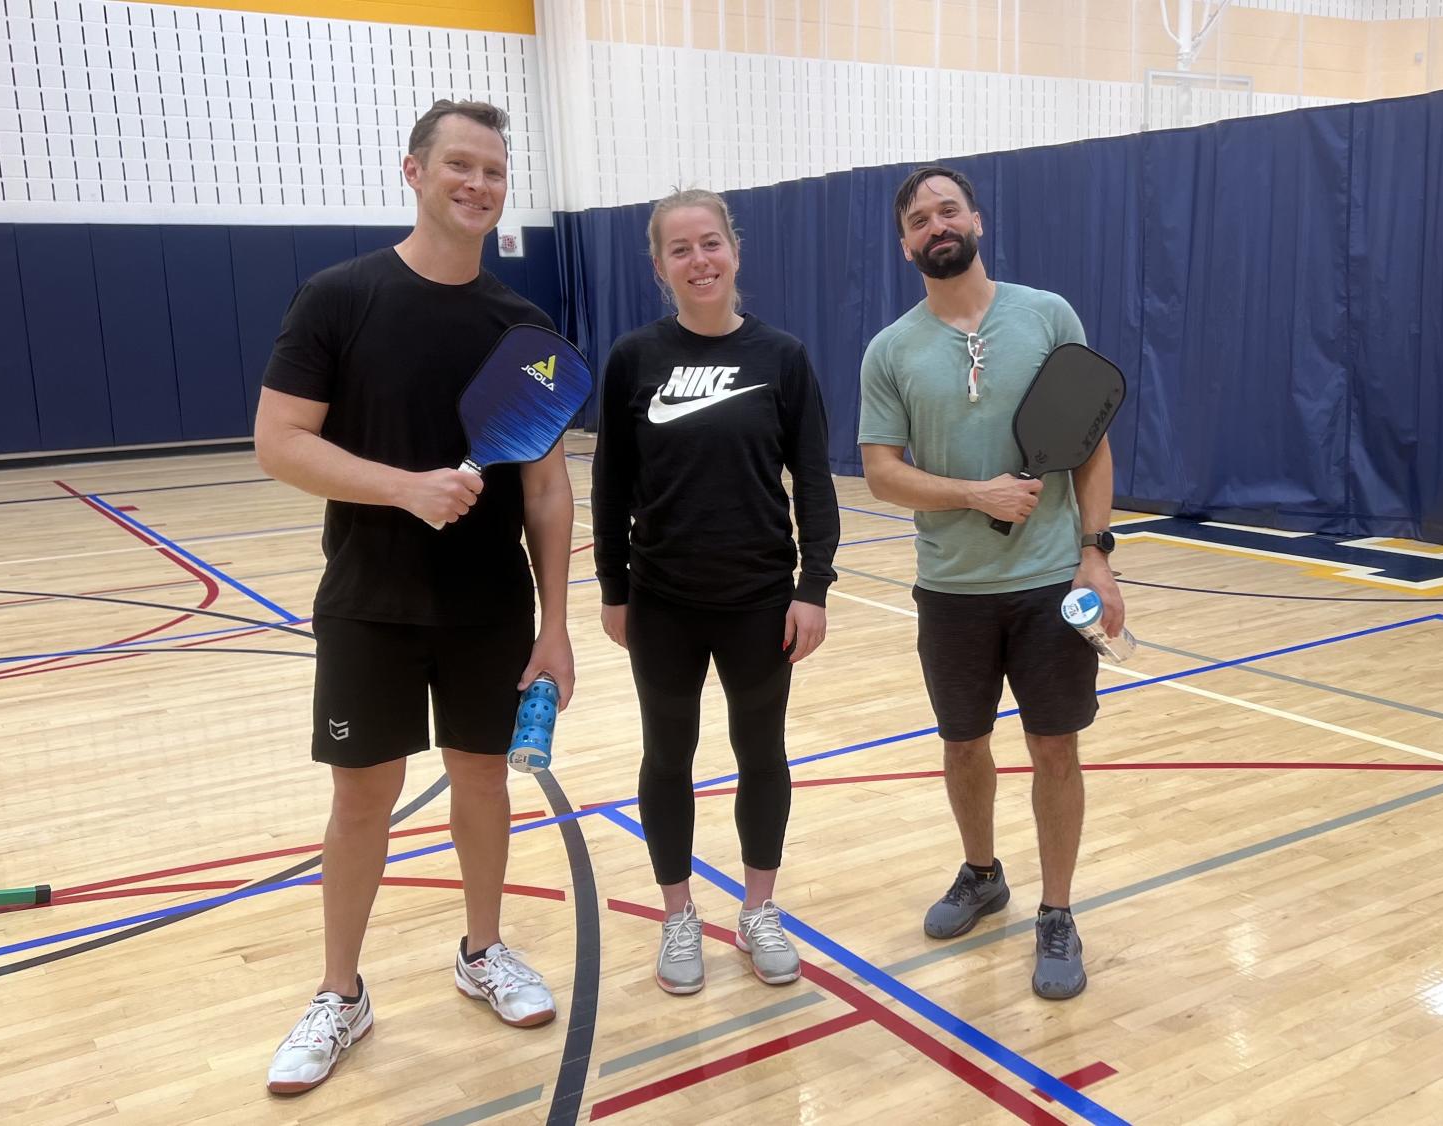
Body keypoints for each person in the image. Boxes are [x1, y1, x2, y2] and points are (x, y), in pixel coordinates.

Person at [252, 98, 575, 1094]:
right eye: (460, 166)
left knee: (484, 784)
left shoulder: (525, 327)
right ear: (415, 171)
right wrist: (407, 487)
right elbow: (280, 442)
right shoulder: (337, 297)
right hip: (369, 601)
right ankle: (340, 992)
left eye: (493, 171)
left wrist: (557, 624)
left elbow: (549, 487)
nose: (478, 185)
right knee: (363, 798)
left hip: (490, 608)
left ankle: (482, 950)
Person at [856, 165, 1126, 1001]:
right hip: (950, 589)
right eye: (917, 220)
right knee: (963, 744)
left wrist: (1096, 554)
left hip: (1051, 583)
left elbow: (1089, 442)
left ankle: (1056, 911)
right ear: (904, 245)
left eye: (947, 210)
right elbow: (880, 474)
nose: (935, 226)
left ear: (975, 220)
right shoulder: (890, 350)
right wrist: (973, 494)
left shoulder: (1047, 317)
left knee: (1054, 747)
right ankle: (982, 874)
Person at [591, 188, 840, 995]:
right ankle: (677, 916)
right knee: (668, 754)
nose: (699, 261)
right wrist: (612, 587)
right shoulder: (634, 357)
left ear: (734, 250)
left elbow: (813, 480)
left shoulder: (782, 357)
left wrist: (814, 587)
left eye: (710, 244)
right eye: (680, 249)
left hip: (760, 599)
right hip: (661, 600)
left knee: (760, 753)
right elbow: (608, 483)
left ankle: (758, 910)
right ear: (660, 265)